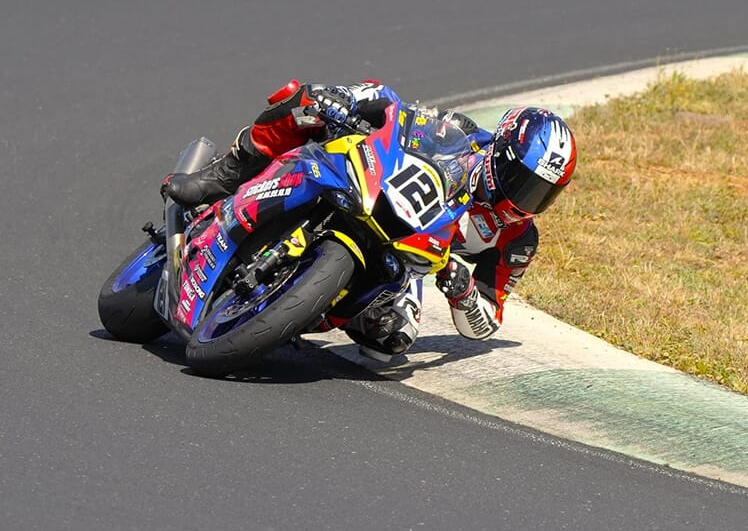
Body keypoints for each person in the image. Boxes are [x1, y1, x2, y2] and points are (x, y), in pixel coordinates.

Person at [162, 80, 577, 361]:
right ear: (501, 155)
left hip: (411, 255)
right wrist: (350, 101)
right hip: (373, 192)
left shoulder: (519, 240)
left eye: (543, 193)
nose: (527, 199)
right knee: (309, 102)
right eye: (523, 182)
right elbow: (402, 115)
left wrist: (464, 291)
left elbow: (486, 322)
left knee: (391, 339)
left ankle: (296, 308)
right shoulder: (464, 134)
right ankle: (224, 174)